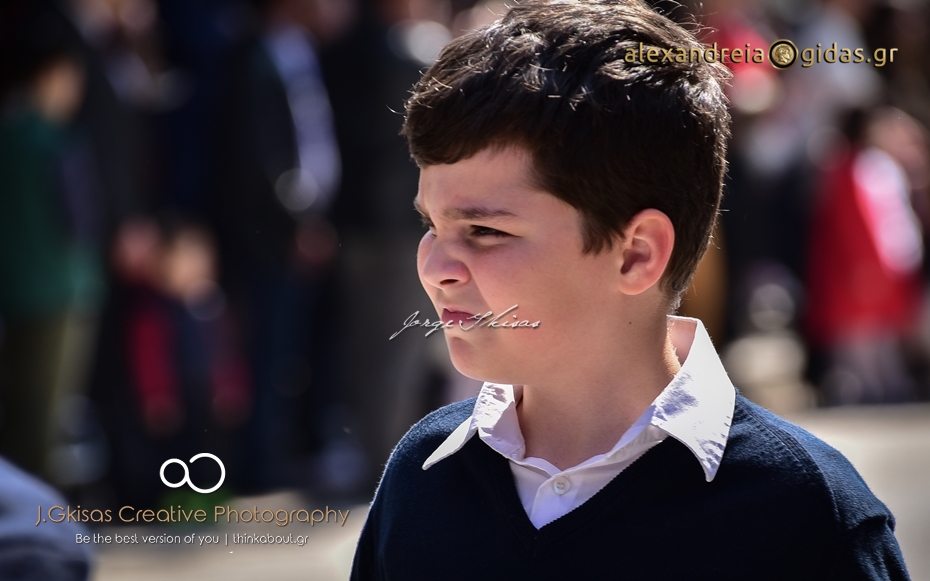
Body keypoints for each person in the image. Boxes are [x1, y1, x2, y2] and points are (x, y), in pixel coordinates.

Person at [350, 0, 911, 579]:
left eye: (485, 231)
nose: (435, 266)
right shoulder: (422, 473)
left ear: (636, 253)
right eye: (430, 225)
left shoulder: (804, 513)